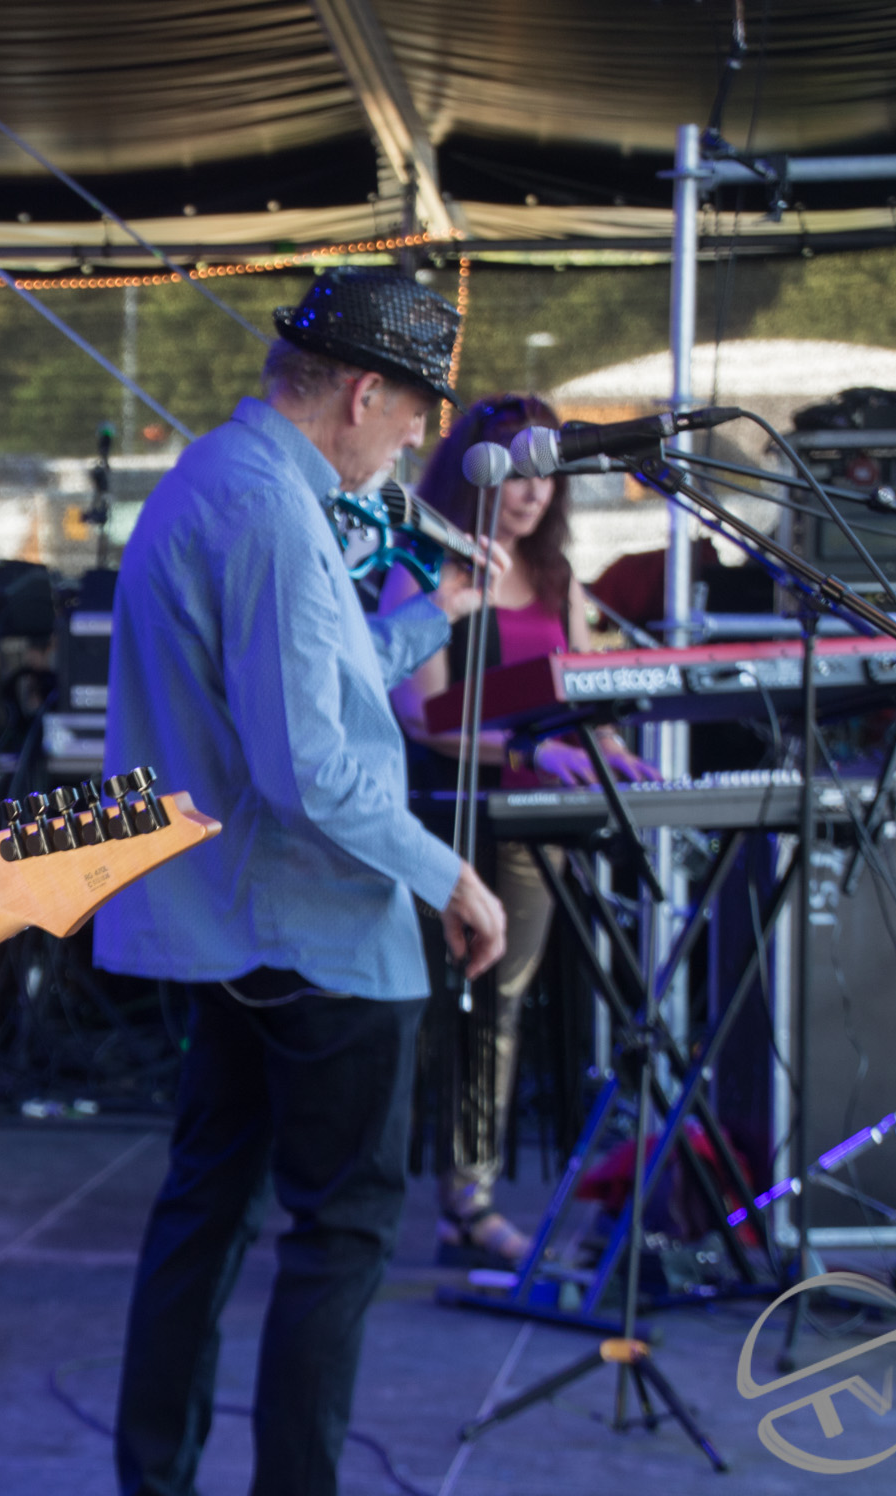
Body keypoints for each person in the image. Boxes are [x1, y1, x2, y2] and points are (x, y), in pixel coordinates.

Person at [96, 267, 509, 1496]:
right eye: (415, 414)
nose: (416, 442)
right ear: (365, 393)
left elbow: (307, 681)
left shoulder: (225, 479)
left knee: (206, 1213)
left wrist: (434, 612)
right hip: (312, 931)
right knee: (340, 1236)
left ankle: (154, 1478)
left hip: (232, 921)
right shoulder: (275, 512)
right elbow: (310, 769)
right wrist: (451, 879)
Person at [382, 394, 659, 1267]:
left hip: (535, 825)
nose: (536, 491)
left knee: (499, 1006)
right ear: (477, 471)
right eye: (519, 472)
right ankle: (408, 1191)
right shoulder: (427, 564)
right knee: (427, 1008)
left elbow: (576, 701)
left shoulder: (556, 578)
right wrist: (536, 753)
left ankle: (468, 1202)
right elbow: (421, 714)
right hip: (441, 816)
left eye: (549, 475)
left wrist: (615, 754)